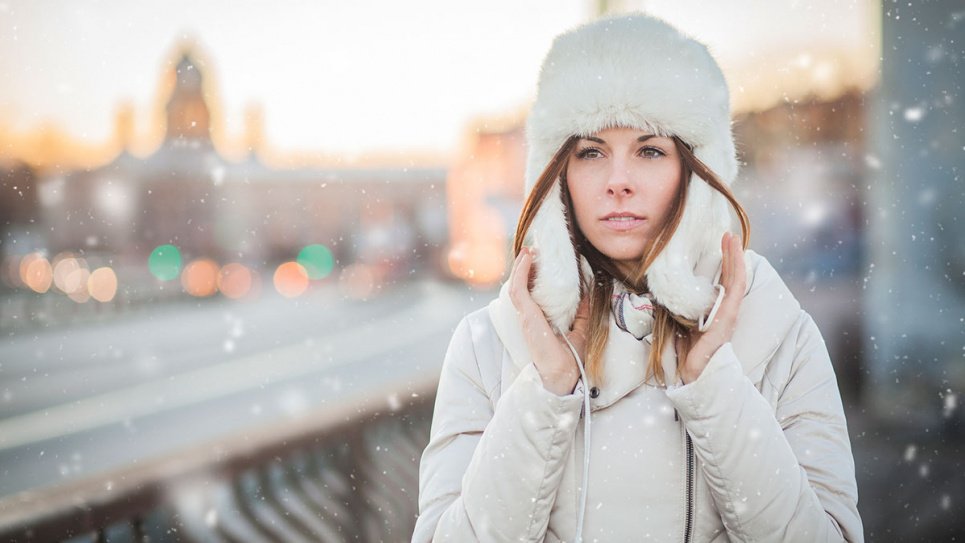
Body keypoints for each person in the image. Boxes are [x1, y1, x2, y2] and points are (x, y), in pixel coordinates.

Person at [412, 13, 862, 543]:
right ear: (558, 174)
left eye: (650, 151)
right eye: (591, 152)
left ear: (695, 171)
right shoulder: (490, 345)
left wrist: (712, 384)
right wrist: (547, 391)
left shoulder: (778, 330)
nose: (619, 182)